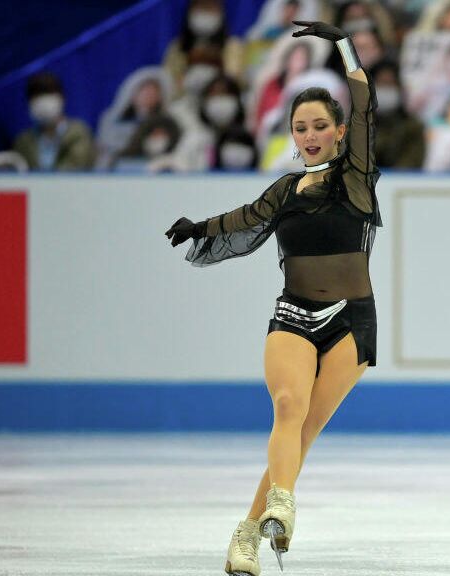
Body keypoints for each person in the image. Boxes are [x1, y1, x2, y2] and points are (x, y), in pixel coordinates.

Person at [164, 21, 380, 576]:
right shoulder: (284, 190)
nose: (309, 135)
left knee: (306, 429)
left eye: (319, 126)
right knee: (288, 406)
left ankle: (245, 535)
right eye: (299, 127)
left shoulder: (355, 179)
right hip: (293, 314)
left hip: (352, 323)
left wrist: (342, 45)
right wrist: (200, 227)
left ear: (338, 132)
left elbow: (363, 99)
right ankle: (281, 503)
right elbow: (244, 219)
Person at [12, 72, 95, 171]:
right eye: (37, 96)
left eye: (48, 93)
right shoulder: (23, 141)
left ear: (62, 98)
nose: (43, 103)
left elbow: (75, 169)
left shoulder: (79, 134)